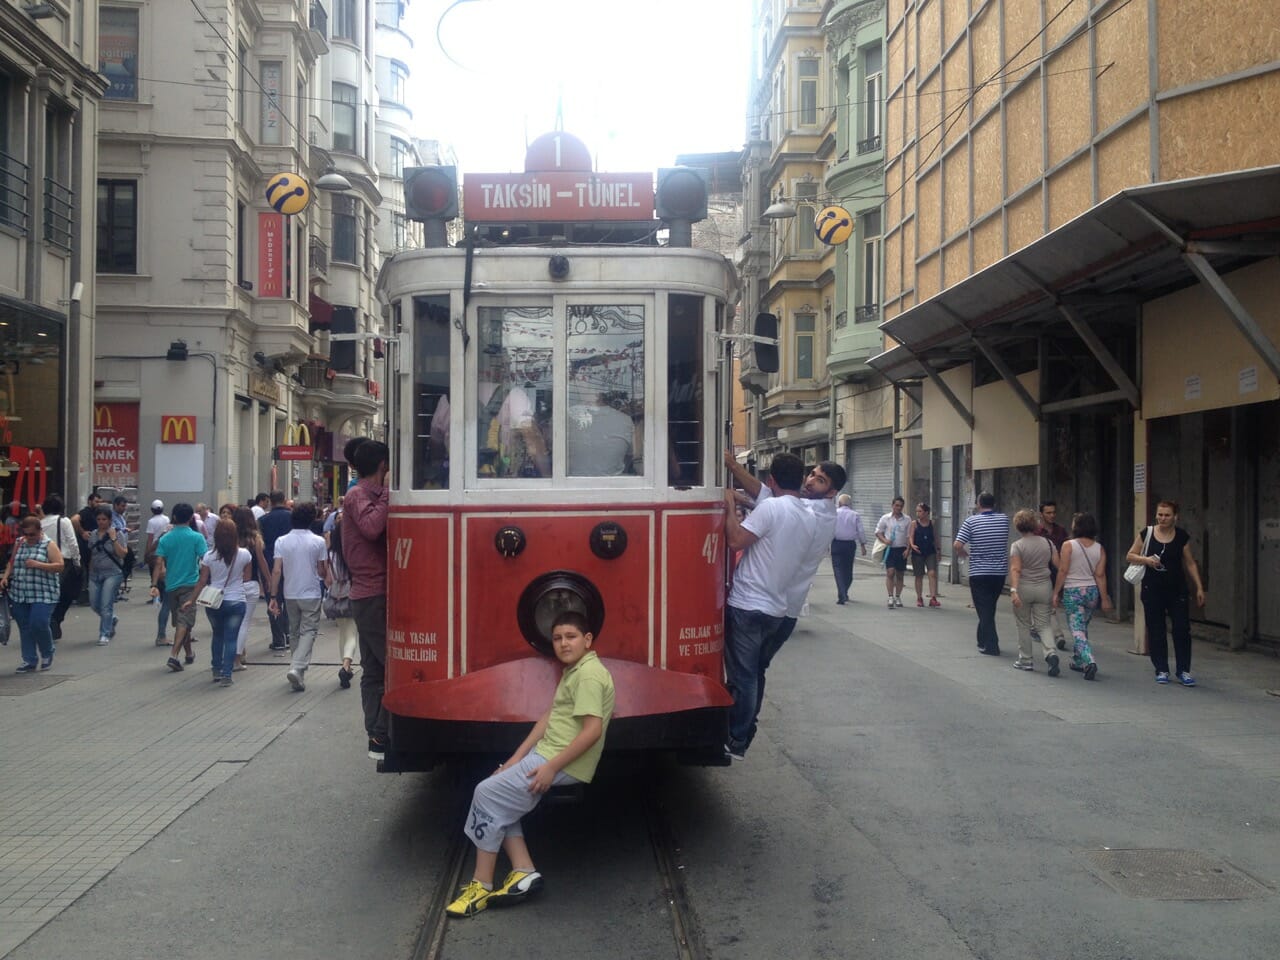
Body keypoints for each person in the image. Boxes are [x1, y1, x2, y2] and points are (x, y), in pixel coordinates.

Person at [445, 610, 614, 918]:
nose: (563, 644)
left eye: (571, 637)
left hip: (560, 760)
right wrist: (515, 759)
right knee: (500, 798)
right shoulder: (576, 669)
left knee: (485, 793)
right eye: (558, 638)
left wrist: (550, 767)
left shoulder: (588, 675)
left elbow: (593, 730)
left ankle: (480, 886)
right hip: (550, 752)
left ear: (587, 640)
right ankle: (523, 870)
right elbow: (549, 716)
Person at [721, 452, 818, 760]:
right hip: (776, 608)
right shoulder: (809, 516)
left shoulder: (772, 508)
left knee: (743, 676)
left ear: (772, 480)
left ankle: (736, 738)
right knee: (753, 674)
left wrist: (729, 507)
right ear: (801, 480)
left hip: (748, 603)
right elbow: (769, 513)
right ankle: (743, 731)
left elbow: (736, 540)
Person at [343, 439, 391, 759]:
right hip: (371, 592)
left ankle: (377, 735)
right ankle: (381, 731)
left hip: (369, 593)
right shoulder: (358, 494)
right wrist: (389, 492)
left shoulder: (361, 494)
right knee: (388, 665)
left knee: (373, 668)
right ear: (383, 466)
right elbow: (373, 527)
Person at [1126, 500, 1206, 686]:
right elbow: (1130, 555)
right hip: (1152, 588)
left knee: (1181, 629)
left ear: (1175, 517)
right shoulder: (1147, 533)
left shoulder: (1181, 537)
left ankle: (1183, 670)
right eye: (1160, 514)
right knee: (1156, 629)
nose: (1162, 518)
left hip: (1177, 589)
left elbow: (1190, 562)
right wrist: (1146, 560)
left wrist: (1199, 587)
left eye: (1167, 515)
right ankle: (1161, 668)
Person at [268, 502, 328, 692]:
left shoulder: (281, 541)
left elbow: (277, 570)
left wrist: (273, 595)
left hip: (289, 592)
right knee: (309, 631)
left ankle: (298, 672)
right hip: (311, 591)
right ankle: (297, 667)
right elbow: (321, 570)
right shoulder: (318, 541)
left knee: (293, 632)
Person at [184, 519, 252, 686]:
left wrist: (191, 600)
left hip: (214, 602)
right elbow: (248, 577)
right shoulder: (244, 554)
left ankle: (216, 669)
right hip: (236, 600)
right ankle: (227, 675)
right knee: (231, 639)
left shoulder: (209, 556)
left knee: (218, 635)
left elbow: (202, 581)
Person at [1052, 512, 1112, 680]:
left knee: (1076, 629)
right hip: (1092, 591)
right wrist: (1105, 598)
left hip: (1073, 591)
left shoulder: (1068, 545)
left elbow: (1063, 570)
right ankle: (1078, 660)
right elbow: (1100, 575)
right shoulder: (1099, 548)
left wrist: (1056, 592)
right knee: (1083, 627)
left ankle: (1089, 661)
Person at [151, 503, 209, 671]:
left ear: (173, 517)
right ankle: (173, 655)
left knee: (181, 622)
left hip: (171, 586)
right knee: (184, 622)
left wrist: (154, 584)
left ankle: (189, 653)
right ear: (191, 518)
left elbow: (158, 562)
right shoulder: (197, 538)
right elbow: (205, 559)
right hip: (191, 585)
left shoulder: (166, 538)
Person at [4, 514, 64, 671]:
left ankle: (47, 651)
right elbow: (11, 563)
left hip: (43, 592)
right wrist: (4, 577)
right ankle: (29, 659)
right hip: (20, 592)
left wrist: (38, 564)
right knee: (24, 626)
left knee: (39, 623)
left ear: (40, 531)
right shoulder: (19, 543)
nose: (29, 537)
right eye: (26, 534)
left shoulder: (48, 544)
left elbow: (59, 566)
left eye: (32, 534)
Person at [953, 492, 1011, 656]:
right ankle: (982, 638)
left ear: (979, 504)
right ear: (994, 503)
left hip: (979, 572)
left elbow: (957, 544)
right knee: (989, 607)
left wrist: (964, 553)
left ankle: (992, 645)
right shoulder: (1004, 520)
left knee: (984, 609)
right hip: (999, 573)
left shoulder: (971, 521)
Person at [1008, 508, 1061, 675]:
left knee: (1023, 624)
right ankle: (1050, 652)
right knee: (1044, 624)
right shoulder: (1048, 543)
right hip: (1044, 586)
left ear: (1018, 526)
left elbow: (1016, 569)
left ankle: (1025, 659)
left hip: (1024, 587)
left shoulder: (1017, 546)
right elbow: (1058, 566)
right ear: (1035, 524)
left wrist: (1014, 590)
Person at [231, 507, 269, 672]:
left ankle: (231, 655)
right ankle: (237, 659)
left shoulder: (229, 537)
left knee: (231, 624)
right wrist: (268, 581)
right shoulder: (255, 539)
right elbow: (261, 563)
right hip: (250, 584)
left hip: (231, 586)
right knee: (244, 623)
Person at [324, 510, 358, 689]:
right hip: (352, 593)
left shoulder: (331, 555)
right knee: (352, 633)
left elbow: (327, 578)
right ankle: (347, 665)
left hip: (336, 594)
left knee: (342, 631)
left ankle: (344, 666)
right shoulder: (353, 553)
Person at [40, 495, 81, 641]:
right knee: (66, 594)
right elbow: (72, 542)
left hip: (46, 561)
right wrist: (77, 561)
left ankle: (50, 620)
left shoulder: (41, 523)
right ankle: (55, 619)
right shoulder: (64, 521)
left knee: (50, 592)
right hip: (64, 560)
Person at [85, 507, 128, 645]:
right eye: (98, 519)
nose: (101, 522)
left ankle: (105, 633)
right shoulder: (93, 535)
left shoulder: (117, 533)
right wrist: (90, 572)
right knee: (94, 603)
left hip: (112, 573)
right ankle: (112, 619)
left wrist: (114, 539)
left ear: (110, 520)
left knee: (106, 604)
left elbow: (122, 554)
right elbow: (92, 554)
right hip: (95, 573)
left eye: (104, 519)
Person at [566, 397, 637, 476]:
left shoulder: (568, 416)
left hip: (569, 484)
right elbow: (630, 457)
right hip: (615, 484)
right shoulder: (625, 420)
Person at [259, 491, 293, 651]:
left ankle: (279, 639)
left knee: (274, 601)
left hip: (270, 564)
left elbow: (260, 544)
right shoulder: (293, 517)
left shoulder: (262, 521)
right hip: (291, 564)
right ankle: (289, 634)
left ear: (270, 501)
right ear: (284, 500)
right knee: (289, 601)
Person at [1035, 501, 1070, 651]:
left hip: (1057, 571)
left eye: (1053, 512)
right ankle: (1057, 634)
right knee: (1047, 604)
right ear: (1041, 514)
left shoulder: (1061, 531)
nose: (1052, 515)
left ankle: (1053, 633)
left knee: (1049, 604)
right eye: (1048, 513)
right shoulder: (1037, 532)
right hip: (1041, 571)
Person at [830, 494, 867, 605]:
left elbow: (829, 529)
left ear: (839, 503)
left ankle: (842, 593)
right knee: (848, 569)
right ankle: (844, 591)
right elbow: (860, 530)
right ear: (849, 504)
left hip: (836, 544)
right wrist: (863, 544)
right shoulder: (855, 515)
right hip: (850, 545)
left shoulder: (834, 514)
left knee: (838, 569)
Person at [875, 496, 912, 608]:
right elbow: (878, 532)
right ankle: (890, 596)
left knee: (900, 574)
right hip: (890, 550)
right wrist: (885, 540)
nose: (898, 508)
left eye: (900, 506)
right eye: (896, 505)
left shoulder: (907, 519)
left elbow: (909, 536)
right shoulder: (885, 518)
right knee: (890, 572)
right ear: (892, 506)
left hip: (901, 549)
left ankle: (898, 596)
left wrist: (908, 549)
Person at [907, 502, 941, 607]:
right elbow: (911, 536)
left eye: (920, 511)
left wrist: (939, 550)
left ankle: (933, 597)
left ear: (926, 512)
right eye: (917, 511)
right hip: (918, 552)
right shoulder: (914, 524)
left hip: (930, 551)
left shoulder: (932, 523)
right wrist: (912, 545)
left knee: (932, 573)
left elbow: (936, 537)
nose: (918, 513)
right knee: (919, 575)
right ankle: (919, 597)